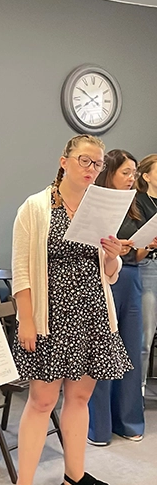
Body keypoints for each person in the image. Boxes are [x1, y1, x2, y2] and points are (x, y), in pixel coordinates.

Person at [2, 134, 132, 485]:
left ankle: (75, 476)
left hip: (92, 313)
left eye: (97, 163)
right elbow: (21, 268)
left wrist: (113, 257)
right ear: (64, 162)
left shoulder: (101, 208)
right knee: (42, 400)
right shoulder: (36, 207)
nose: (91, 169)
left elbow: (108, 273)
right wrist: (25, 319)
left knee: (80, 397)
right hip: (51, 316)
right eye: (84, 161)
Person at [88, 149, 152, 445]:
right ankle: (99, 426)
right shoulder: (95, 204)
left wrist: (145, 246)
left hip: (131, 279)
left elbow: (135, 255)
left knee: (131, 349)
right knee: (102, 351)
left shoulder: (133, 204)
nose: (131, 178)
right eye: (126, 172)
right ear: (109, 173)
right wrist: (114, 250)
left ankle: (129, 421)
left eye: (134, 173)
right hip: (103, 280)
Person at [135, 154, 157, 391]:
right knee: (145, 335)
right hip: (148, 266)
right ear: (147, 176)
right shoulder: (138, 202)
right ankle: (138, 389)